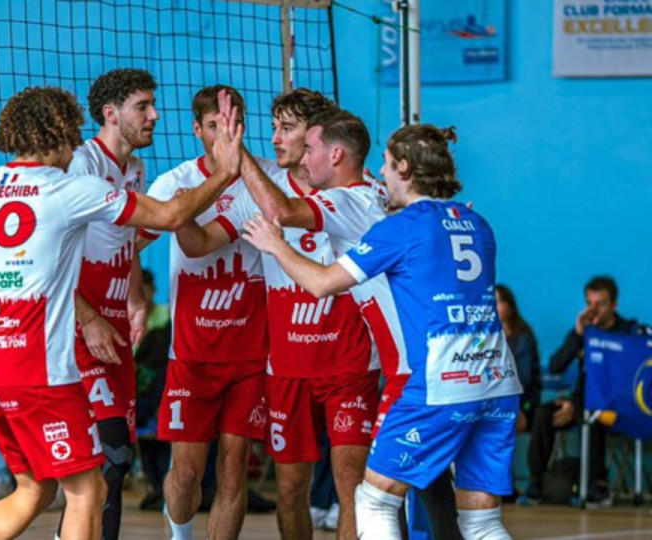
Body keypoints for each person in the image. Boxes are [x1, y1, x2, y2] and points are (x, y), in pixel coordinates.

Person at [0, 86, 245, 540]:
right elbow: (170, 214)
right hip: (38, 371)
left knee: (33, 491)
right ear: (60, 135)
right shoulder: (67, 189)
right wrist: (226, 173)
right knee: (87, 492)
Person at [242, 124, 522, 540]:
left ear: (405, 168)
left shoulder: (401, 228)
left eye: (388, 165)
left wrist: (274, 244)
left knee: (373, 501)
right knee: (481, 522)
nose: (381, 172)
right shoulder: (477, 223)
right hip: (497, 381)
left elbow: (321, 283)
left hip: (441, 381)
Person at [172, 90, 380, 540]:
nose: (275, 138)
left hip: (350, 362)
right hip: (287, 368)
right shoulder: (261, 194)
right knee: (289, 490)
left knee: (352, 486)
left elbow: (282, 213)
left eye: (286, 129)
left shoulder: (359, 192)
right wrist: (178, 210)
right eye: (273, 127)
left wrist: (234, 147)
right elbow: (200, 244)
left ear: (316, 137)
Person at [133, 84, 276, 540]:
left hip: (251, 355)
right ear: (198, 129)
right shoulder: (175, 183)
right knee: (187, 473)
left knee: (233, 469)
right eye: (215, 125)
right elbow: (129, 241)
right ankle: (180, 536)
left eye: (233, 124)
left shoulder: (265, 181)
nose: (225, 134)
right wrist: (135, 299)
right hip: (191, 357)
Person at [66, 67, 158, 540]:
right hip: (80, 326)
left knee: (116, 468)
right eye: (142, 106)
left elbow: (126, 242)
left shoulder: (136, 169)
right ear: (110, 113)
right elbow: (50, 262)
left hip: (115, 321)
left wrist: (136, 297)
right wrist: (89, 319)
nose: (154, 115)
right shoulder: (81, 164)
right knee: (107, 457)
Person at [526, 276, 637, 508]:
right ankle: (536, 482)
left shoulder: (628, 334)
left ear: (614, 305)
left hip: (616, 406)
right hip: (581, 401)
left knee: (591, 415)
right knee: (543, 414)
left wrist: (576, 406)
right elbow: (556, 365)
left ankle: (597, 484)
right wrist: (577, 334)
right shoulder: (584, 331)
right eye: (589, 303)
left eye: (601, 303)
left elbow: (627, 380)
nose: (593, 309)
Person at [495, 284, 540, 433]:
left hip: (524, 403)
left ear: (510, 306)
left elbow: (524, 380)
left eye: (499, 302)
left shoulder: (523, 338)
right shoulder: (487, 338)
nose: (494, 307)